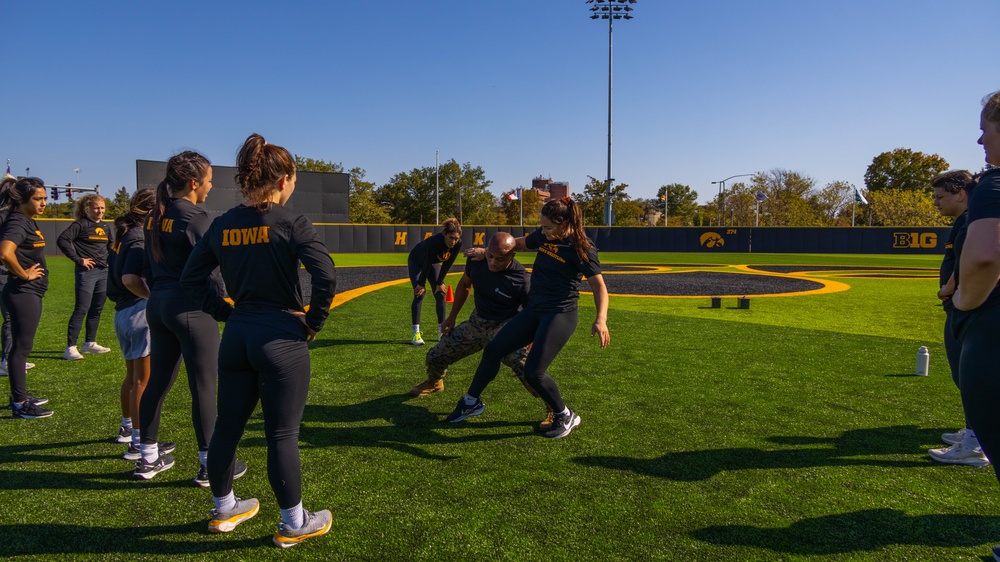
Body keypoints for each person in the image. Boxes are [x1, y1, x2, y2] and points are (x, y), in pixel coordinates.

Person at [181, 133, 337, 547]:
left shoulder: (223, 223)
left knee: (227, 428)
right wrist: (314, 321)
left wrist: (225, 313)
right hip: (281, 337)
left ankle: (224, 508)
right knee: (281, 435)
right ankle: (293, 522)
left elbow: (191, 279)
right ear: (284, 178)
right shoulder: (293, 222)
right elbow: (325, 276)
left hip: (237, 336)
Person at [446, 197, 610, 439]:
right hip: (535, 309)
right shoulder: (545, 236)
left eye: (548, 228)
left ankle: (565, 414)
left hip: (560, 313)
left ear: (565, 223)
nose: (542, 232)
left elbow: (599, 287)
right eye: (542, 227)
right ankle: (471, 401)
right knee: (493, 350)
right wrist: (487, 252)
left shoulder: (582, 248)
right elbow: (518, 244)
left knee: (534, 371)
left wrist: (601, 319)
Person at [137, 150, 244, 484]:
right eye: (210, 180)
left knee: (158, 382)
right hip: (190, 309)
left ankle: (148, 458)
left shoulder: (155, 214)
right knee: (203, 387)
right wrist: (226, 308)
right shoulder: (195, 218)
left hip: (158, 305)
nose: (212, 187)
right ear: (194, 182)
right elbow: (208, 273)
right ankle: (209, 466)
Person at [408, 232, 554, 430]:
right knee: (435, 355)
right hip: (477, 323)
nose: (493, 262)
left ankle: (552, 407)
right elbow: (465, 285)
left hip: (506, 327)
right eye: (490, 256)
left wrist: (530, 344)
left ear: (512, 257)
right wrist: (451, 317)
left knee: (528, 370)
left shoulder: (522, 280)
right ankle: (435, 382)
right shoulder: (477, 262)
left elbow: (533, 315)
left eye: (500, 259)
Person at [950, 89, 1000, 562]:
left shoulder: (994, 184)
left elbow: (984, 256)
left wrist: (964, 301)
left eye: (987, 128)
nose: (980, 139)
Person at [926, 171, 987, 466]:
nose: (936, 203)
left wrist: (948, 290)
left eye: (941, 197)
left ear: (960, 193)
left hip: (968, 308)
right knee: (965, 377)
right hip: (963, 307)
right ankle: (974, 432)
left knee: (972, 377)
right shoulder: (965, 222)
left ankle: (976, 443)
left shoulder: (971, 222)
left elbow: (970, 262)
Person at [105, 189, 157, 453]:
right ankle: (140, 443)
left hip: (122, 313)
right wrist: (153, 297)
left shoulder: (124, 234)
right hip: (137, 312)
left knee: (132, 377)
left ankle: (128, 428)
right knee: (142, 382)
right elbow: (130, 279)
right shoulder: (137, 237)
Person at [0, 176, 51, 418]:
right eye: (37, 199)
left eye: (44, 198)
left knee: (22, 347)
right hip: (23, 292)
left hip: (29, 292)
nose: (43, 203)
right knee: (21, 348)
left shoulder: (27, 220)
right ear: (22, 200)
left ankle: (19, 394)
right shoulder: (18, 221)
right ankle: (20, 404)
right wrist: (24, 275)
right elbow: (4, 253)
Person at [57, 193, 113, 360]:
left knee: (97, 308)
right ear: (87, 208)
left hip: (103, 272)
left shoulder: (105, 226)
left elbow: (111, 245)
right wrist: (78, 259)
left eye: (102, 208)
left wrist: (110, 259)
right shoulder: (80, 224)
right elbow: (63, 240)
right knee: (82, 308)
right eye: (96, 207)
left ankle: (89, 343)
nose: (100, 211)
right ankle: (70, 347)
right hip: (86, 273)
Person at [407, 218, 462, 345]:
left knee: (441, 295)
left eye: (456, 239)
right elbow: (426, 263)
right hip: (417, 262)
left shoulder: (457, 244)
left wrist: (440, 282)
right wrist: (421, 283)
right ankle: (415, 333)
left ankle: (442, 332)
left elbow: (448, 263)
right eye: (451, 237)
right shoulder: (435, 242)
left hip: (433, 264)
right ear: (444, 234)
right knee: (419, 294)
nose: (453, 242)